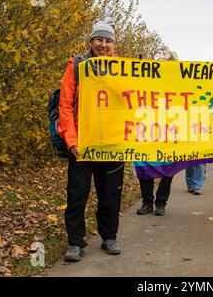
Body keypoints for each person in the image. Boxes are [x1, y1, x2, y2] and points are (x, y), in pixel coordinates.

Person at [58, 20, 124, 262]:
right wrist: (71, 140)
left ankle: (109, 236)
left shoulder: (123, 68)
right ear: (91, 42)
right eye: (99, 39)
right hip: (82, 144)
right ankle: (75, 242)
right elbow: (65, 105)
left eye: (108, 40)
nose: (103, 45)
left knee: (110, 194)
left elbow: (135, 101)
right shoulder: (77, 65)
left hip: (113, 143)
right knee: (77, 194)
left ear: (114, 44)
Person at [136, 52, 178, 216]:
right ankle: (147, 202)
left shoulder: (183, 84)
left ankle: (161, 203)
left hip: (171, 132)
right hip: (148, 131)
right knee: (144, 166)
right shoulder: (152, 80)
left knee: (168, 171)